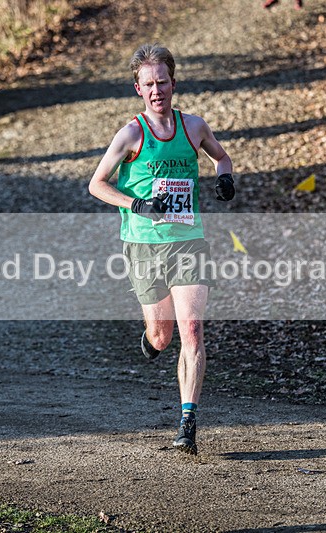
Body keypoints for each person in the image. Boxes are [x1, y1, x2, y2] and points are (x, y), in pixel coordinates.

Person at [89, 44, 235, 455]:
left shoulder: (194, 127)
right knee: (163, 335)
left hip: (188, 240)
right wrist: (136, 204)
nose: (157, 91)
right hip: (144, 246)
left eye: (163, 82)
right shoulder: (131, 134)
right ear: (138, 88)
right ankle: (151, 340)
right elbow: (97, 184)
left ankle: (188, 420)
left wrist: (225, 178)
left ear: (173, 83)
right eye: (149, 84)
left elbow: (222, 158)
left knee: (192, 329)